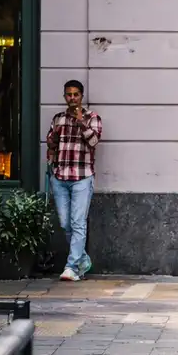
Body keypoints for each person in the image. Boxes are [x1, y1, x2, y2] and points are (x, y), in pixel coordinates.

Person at [45, 80, 103, 281]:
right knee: (65, 224)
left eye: (76, 94)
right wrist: (51, 147)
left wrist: (80, 122)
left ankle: (71, 267)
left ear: (81, 96)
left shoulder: (92, 118)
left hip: (82, 177)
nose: (72, 98)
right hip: (60, 177)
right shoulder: (58, 119)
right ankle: (82, 260)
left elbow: (94, 141)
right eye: (68, 95)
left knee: (78, 223)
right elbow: (51, 142)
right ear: (64, 97)